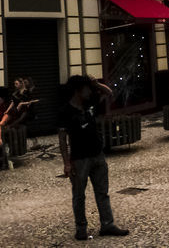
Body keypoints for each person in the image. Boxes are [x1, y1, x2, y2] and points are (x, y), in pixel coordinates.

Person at [58, 76, 129, 241]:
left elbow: (109, 93)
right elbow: (62, 139)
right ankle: (81, 229)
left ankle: (107, 224)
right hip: (79, 158)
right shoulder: (65, 111)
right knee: (79, 195)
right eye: (87, 88)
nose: (90, 91)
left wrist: (96, 84)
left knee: (102, 192)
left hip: (97, 154)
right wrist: (67, 163)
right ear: (78, 90)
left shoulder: (89, 102)